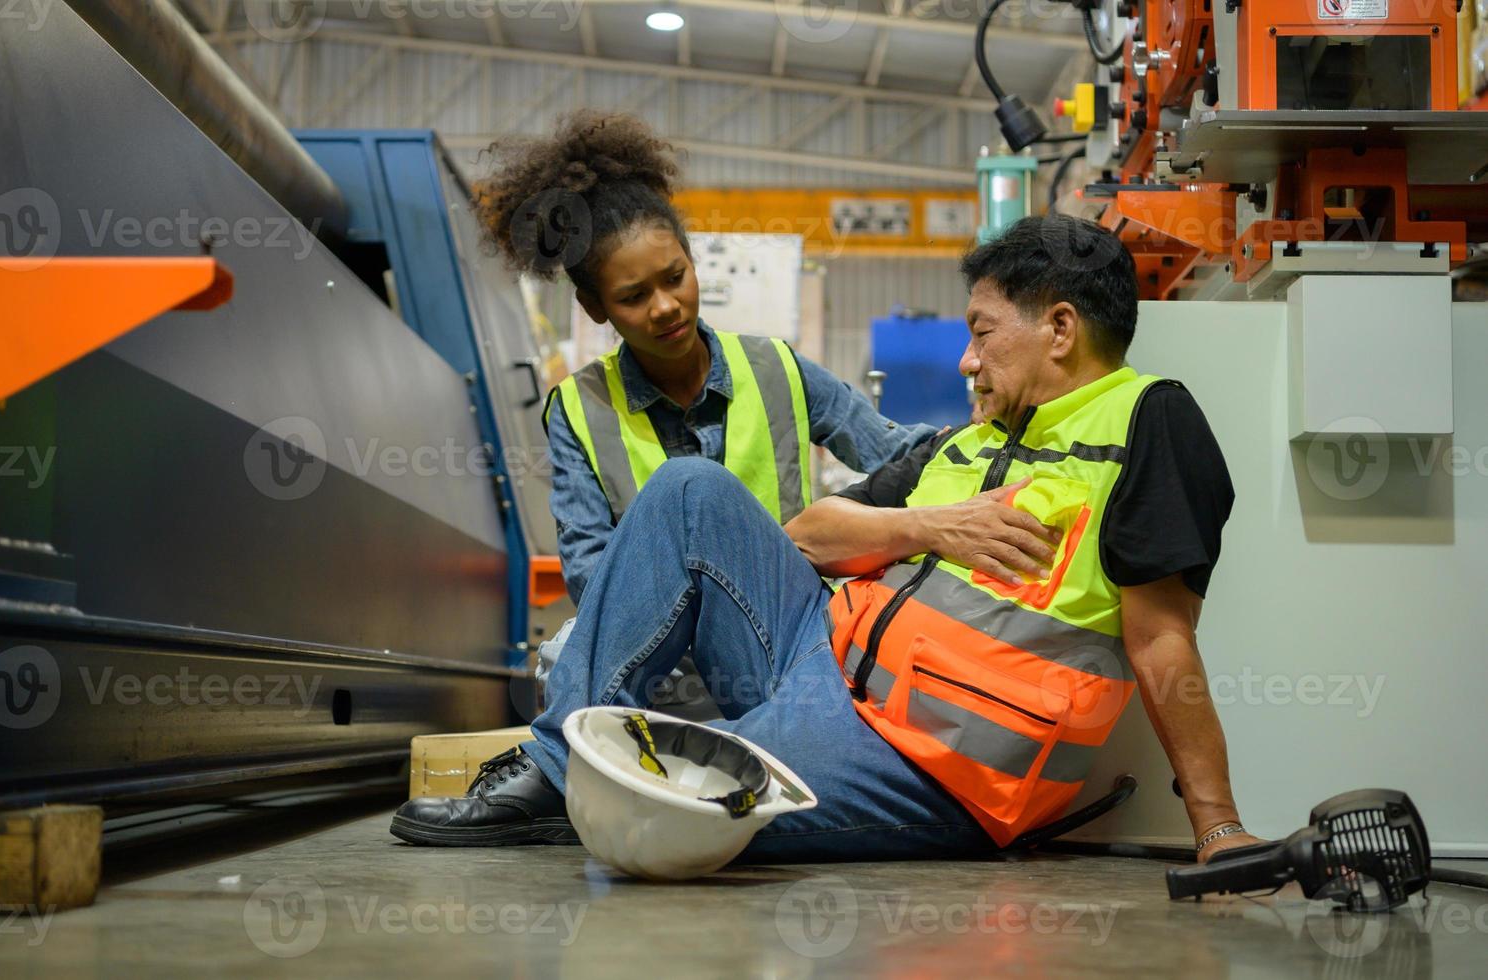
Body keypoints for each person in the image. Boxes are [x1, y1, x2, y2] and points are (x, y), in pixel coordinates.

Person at [393, 215, 1262, 866]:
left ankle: (635, 771)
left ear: (1061, 330)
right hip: (824, 655)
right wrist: (931, 526)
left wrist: (1216, 826)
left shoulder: (1146, 420)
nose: (966, 360)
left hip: (929, 754)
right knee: (688, 489)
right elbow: (808, 537)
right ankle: (555, 761)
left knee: (659, 827)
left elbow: (1159, 636)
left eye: (981, 332)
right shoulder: (968, 443)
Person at [468, 110, 940, 704]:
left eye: (675, 277)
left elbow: (899, 449)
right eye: (634, 297)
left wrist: (997, 441)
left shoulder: (776, 368)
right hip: (663, 657)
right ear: (594, 308)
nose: (665, 307)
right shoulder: (579, 409)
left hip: (786, 636)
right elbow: (591, 572)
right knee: (565, 655)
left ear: (693, 262)